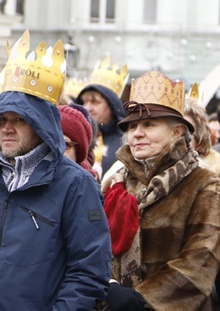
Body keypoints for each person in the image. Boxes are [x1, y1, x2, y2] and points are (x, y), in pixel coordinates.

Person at [0, 30, 111, 310]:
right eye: (1, 119)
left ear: (40, 124)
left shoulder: (76, 185)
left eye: (19, 119)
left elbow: (89, 271)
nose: (7, 128)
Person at [101, 70, 220, 310]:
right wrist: (109, 287)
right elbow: (93, 246)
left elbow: (200, 261)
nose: (137, 133)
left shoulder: (204, 184)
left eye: (149, 124)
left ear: (177, 131)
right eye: (132, 126)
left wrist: (143, 301)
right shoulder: (116, 181)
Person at [76, 56, 128, 178]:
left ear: (112, 105)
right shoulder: (75, 138)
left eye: (95, 102)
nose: (87, 107)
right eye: (84, 102)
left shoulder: (126, 141)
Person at [59, 103, 98, 178]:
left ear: (78, 153)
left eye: (65, 144)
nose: (57, 149)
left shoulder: (86, 186)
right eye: (51, 143)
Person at [184, 98, 220, 175]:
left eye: (186, 133)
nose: (177, 139)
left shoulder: (206, 182)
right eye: (174, 131)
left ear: (198, 144)